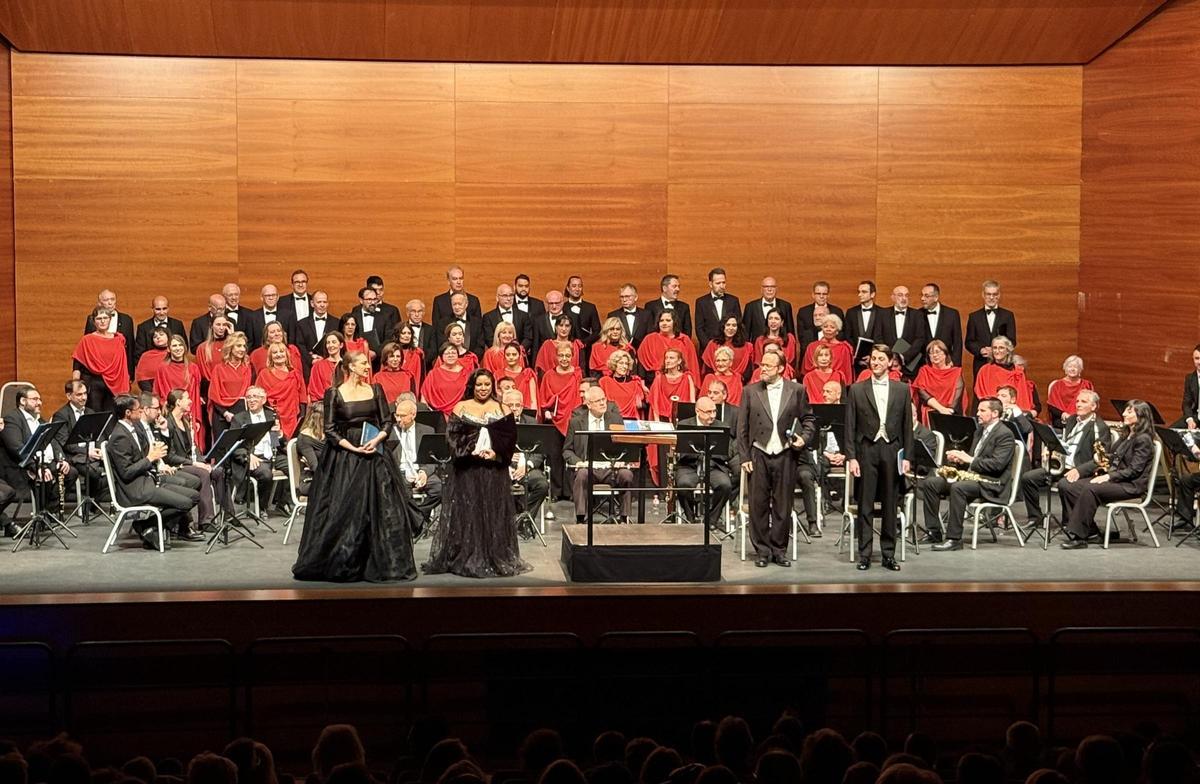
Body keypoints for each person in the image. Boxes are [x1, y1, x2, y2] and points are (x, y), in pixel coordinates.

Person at [294, 351, 418, 582]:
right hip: (345, 457)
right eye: (362, 363)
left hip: (374, 453)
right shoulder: (334, 393)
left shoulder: (376, 389)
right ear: (350, 367)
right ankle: (345, 561)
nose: (367, 367)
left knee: (381, 510)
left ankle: (378, 562)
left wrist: (378, 438)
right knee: (345, 511)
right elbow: (330, 429)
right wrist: (353, 448)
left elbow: (387, 421)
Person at [424, 369, 529, 578]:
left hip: (494, 470)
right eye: (479, 385)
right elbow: (452, 439)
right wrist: (470, 451)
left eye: (487, 385)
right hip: (468, 470)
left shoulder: (503, 408)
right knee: (469, 511)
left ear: (493, 387)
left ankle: (494, 554)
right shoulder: (461, 407)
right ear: (473, 385)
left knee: (492, 510)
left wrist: (496, 454)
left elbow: (509, 439)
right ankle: (467, 554)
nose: (483, 389)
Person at [736, 350, 815, 567]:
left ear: (781, 368)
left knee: (782, 504)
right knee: (758, 504)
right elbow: (741, 427)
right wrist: (744, 457)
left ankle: (779, 550)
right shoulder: (750, 391)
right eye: (762, 365)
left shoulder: (797, 390)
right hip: (758, 452)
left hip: (785, 453)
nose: (764, 369)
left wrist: (804, 438)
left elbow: (808, 419)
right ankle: (762, 550)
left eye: (769, 366)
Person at [845, 345, 914, 571]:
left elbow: (907, 427)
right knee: (865, 503)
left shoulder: (902, 389)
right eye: (873, 358)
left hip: (892, 449)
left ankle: (888, 554)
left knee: (890, 504)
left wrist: (907, 457)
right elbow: (850, 426)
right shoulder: (856, 389)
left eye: (880, 359)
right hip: (867, 449)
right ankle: (864, 553)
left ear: (889, 362)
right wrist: (852, 457)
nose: (875, 362)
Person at [1060, 400, 1157, 548]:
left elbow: (1134, 470)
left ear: (1141, 416)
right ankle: (1090, 531)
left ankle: (1079, 537)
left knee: (1091, 488)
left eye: (1129, 411)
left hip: (1131, 486)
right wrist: (1102, 460)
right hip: (1118, 480)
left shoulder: (1143, 439)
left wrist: (1108, 476)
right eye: (1125, 410)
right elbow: (1115, 457)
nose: (1124, 413)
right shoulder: (1127, 435)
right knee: (1068, 485)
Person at [921, 397, 1016, 550]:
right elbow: (973, 460)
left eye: (982, 410)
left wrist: (969, 459)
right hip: (973, 478)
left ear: (995, 413)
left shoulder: (1005, 434)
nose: (977, 413)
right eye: (978, 410)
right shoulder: (979, 431)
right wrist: (960, 459)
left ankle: (954, 539)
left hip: (991, 483)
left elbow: (997, 465)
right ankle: (934, 531)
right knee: (932, 483)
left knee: (958, 488)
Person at [106, 394, 197, 551]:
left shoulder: (134, 429)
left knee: (194, 496)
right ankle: (148, 525)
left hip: (148, 480)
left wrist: (156, 458)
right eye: (138, 409)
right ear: (128, 413)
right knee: (185, 503)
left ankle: (148, 526)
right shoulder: (119, 436)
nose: (141, 412)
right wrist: (150, 458)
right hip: (136, 490)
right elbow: (126, 472)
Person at [1020, 390, 1111, 525]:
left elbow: (1101, 459)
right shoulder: (1072, 420)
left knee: (1065, 484)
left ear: (1094, 407)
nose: (1078, 404)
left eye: (1083, 402)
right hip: (1063, 466)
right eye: (1078, 401)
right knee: (1028, 478)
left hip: (1080, 469)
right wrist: (1051, 450)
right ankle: (1035, 517)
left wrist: (1079, 470)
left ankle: (1069, 522)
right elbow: (1065, 442)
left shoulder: (1100, 427)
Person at [163, 388, 234, 531]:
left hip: (191, 462)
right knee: (203, 474)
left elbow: (193, 448)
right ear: (178, 402)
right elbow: (169, 456)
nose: (190, 401)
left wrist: (202, 462)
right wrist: (195, 464)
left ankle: (229, 515)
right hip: (177, 465)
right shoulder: (168, 424)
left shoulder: (185, 420)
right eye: (187, 398)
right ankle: (205, 520)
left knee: (218, 471)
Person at [564, 385, 633, 522]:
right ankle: (580, 518)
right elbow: (567, 450)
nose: (603, 403)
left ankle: (624, 517)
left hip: (611, 468)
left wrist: (622, 460)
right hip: (588, 468)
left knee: (626, 474)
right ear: (588, 404)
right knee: (582, 474)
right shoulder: (576, 422)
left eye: (604, 399)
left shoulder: (616, 419)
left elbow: (625, 447)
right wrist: (578, 462)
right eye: (598, 401)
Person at [677, 396, 737, 530]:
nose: (712, 415)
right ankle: (690, 518)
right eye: (708, 412)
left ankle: (712, 519)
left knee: (725, 485)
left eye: (714, 411)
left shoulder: (722, 426)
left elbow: (728, 450)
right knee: (683, 485)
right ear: (698, 411)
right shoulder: (685, 425)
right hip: (689, 464)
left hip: (713, 465)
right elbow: (680, 450)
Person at [51, 379, 107, 503]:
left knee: (114, 465)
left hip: (92, 454)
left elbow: (99, 435)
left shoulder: (90, 412)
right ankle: (92, 502)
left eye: (85, 393)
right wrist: (88, 452)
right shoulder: (61, 415)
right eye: (79, 394)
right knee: (93, 473)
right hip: (74, 456)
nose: (84, 398)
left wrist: (100, 449)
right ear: (69, 396)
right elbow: (65, 443)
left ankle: (95, 500)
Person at [538, 344, 582, 500]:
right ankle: (555, 492)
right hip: (554, 420)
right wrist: (547, 411)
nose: (564, 358)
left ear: (572, 356)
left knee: (571, 456)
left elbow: (581, 397)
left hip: (573, 420)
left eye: (567, 355)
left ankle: (571, 492)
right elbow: (543, 398)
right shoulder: (549, 375)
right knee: (555, 456)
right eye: (561, 355)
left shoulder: (578, 375)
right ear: (556, 357)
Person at [391, 397, 441, 528]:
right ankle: (418, 524)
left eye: (402, 416)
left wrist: (424, 473)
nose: (398, 419)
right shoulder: (391, 432)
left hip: (420, 470)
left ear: (413, 415)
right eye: (397, 415)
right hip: (400, 472)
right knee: (403, 493)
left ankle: (418, 516)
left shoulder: (427, 430)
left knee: (440, 489)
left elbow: (432, 460)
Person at [501, 389, 549, 520]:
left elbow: (541, 452)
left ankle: (524, 520)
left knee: (542, 485)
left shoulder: (532, 422)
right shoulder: (495, 422)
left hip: (527, 467)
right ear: (503, 405)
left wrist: (527, 465)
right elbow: (489, 448)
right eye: (511, 405)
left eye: (518, 405)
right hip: (502, 467)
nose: (515, 409)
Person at [72, 308, 129, 413]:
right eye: (99, 318)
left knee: (112, 416)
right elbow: (77, 365)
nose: (102, 321)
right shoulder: (87, 340)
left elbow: (123, 366)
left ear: (110, 319)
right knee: (95, 416)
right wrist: (75, 385)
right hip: (93, 383)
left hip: (115, 384)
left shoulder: (119, 339)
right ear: (94, 321)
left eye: (105, 318)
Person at [155, 334, 205, 450]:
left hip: (190, 413)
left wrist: (196, 419)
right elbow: (161, 392)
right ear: (168, 349)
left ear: (185, 347)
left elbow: (195, 395)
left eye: (180, 345)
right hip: (171, 414)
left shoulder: (193, 368)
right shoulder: (163, 368)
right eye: (174, 345)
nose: (178, 348)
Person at [965, 279, 1017, 375]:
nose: (991, 297)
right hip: (980, 364)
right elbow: (969, 342)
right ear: (983, 295)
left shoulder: (1008, 315)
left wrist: (995, 350)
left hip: (1003, 365)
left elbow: (1012, 341)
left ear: (999, 295)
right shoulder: (974, 317)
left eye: (995, 294)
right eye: (988, 294)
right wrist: (981, 350)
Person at [208, 331, 252, 443]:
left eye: (244, 346)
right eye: (238, 346)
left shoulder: (248, 368)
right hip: (221, 414)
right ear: (230, 347)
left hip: (242, 413)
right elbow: (214, 395)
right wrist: (225, 413)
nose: (242, 349)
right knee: (222, 449)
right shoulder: (219, 369)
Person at [257, 343, 307, 438]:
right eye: (275, 352)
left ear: (286, 354)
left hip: (293, 417)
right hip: (272, 417)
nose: (279, 354)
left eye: (281, 351)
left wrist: (301, 417)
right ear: (270, 356)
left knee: (292, 444)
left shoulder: (295, 373)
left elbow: (302, 397)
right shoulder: (264, 374)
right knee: (276, 445)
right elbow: (258, 397)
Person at [878, 286, 928, 380]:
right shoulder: (882, 314)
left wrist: (903, 357)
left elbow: (920, 339)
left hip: (910, 366)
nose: (904, 298)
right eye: (900, 295)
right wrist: (890, 357)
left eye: (906, 295)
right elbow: (878, 338)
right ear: (892, 297)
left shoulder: (917, 315)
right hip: (887, 366)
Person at [638, 311, 700, 386]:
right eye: (661, 320)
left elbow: (692, 365)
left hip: (680, 384)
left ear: (674, 322)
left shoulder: (685, 340)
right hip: (653, 383)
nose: (664, 323)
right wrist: (642, 383)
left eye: (668, 320)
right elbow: (641, 362)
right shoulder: (649, 339)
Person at [83, 289, 136, 376]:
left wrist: (130, 373)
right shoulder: (91, 319)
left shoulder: (127, 320)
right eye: (106, 300)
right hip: (98, 368)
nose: (110, 303)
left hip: (120, 368)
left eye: (112, 299)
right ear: (99, 303)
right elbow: (87, 347)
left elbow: (130, 347)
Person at [973, 336, 1033, 409]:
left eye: (1001, 348)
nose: (997, 351)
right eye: (995, 348)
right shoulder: (985, 370)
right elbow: (981, 394)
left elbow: (1022, 397)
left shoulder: (1018, 371)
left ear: (1008, 350)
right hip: (992, 411)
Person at [912, 340, 964, 424]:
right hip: (930, 413)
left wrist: (949, 411)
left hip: (950, 414)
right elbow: (921, 391)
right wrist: (940, 409)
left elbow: (958, 393)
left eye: (937, 352)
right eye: (931, 353)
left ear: (945, 354)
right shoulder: (924, 370)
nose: (935, 355)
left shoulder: (956, 372)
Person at [294, 291, 341, 378]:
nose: (322, 305)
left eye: (324, 302)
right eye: (319, 302)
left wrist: (325, 358)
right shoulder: (301, 324)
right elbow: (300, 345)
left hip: (331, 367)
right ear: (312, 303)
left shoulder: (336, 323)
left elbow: (339, 344)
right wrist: (311, 360)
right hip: (308, 368)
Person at [421, 342, 471, 419]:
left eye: (453, 353)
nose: (450, 355)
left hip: (462, 415)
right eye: (447, 353)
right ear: (441, 356)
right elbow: (424, 396)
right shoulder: (433, 374)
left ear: (458, 355)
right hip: (438, 416)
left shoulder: (466, 373)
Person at [482, 283, 533, 356]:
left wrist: (518, 350)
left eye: (511, 295)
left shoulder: (523, 315)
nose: (509, 299)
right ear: (497, 297)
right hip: (497, 356)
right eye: (505, 296)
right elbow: (489, 339)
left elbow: (528, 337)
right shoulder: (488, 317)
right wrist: (502, 352)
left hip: (519, 356)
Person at [694, 267, 741, 348]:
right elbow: (699, 329)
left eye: (723, 283)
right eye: (718, 283)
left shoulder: (733, 301)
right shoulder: (701, 302)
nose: (722, 286)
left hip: (730, 348)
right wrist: (710, 347)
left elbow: (739, 325)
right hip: (708, 348)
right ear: (710, 284)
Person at [133, 295, 185, 367]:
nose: (162, 312)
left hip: (174, 368)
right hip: (152, 370)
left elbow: (184, 347)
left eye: (164, 308)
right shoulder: (143, 327)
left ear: (168, 308)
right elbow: (139, 354)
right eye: (158, 309)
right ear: (152, 309)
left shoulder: (178, 325)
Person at [919, 283, 963, 367]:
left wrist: (955, 363)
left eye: (926, 296)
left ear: (936, 297)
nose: (922, 298)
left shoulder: (952, 314)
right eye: (922, 295)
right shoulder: (918, 314)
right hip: (925, 366)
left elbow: (957, 342)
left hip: (947, 365)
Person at [243, 284, 297, 351]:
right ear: (262, 298)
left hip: (283, 356)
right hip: (260, 356)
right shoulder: (252, 317)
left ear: (277, 297)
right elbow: (250, 342)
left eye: (273, 295)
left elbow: (291, 340)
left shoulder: (288, 315)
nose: (271, 298)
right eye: (267, 295)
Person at [648, 348, 697, 422]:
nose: (667, 361)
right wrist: (657, 423)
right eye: (666, 358)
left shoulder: (687, 378)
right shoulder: (659, 378)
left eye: (671, 358)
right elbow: (655, 404)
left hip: (683, 419)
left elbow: (692, 402)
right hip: (663, 420)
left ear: (679, 361)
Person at [800, 314, 853, 382]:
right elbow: (806, 370)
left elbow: (846, 373)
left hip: (836, 384)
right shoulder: (812, 346)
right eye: (825, 326)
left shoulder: (843, 349)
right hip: (814, 382)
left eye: (832, 327)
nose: (828, 329)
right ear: (822, 329)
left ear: (837, 331)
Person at [742, 276, 794, 342]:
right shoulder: (750, 307)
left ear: (776, 289)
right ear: (761, 289)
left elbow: (790, 333)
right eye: (766, 287)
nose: (769, 289)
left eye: (772, 286)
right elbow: (745, 334)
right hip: (757, 349)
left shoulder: (786, 306)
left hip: (781, 349)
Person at [1046, 355, 1095, 425]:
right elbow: (1051, 406)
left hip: (1081, 419)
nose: (1072, 369)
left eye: (1076, 367)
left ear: (1080, 369)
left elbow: (1091, 405)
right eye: (1070, 366)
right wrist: (1063, 414)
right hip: (1060, 419)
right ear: (1065, 369)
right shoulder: (1057, 385)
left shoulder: (1087, 385)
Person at [598, 350, 646, 420]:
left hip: (631, 420)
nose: (624, 366)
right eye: (621, 363)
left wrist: (640, 405)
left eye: (626, 364)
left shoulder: (634, 382)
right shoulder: (604, 381)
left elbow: (644, 405)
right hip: (610, 420)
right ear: (614, 364)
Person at [843, 281, 883, 364]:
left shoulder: (882, 312)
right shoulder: (851, 312)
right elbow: (847, 335)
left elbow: (882, 337)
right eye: (859, 292)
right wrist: (856, 355)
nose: (859, 295)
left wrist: (872, 355)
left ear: (872, 294)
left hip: (876, 359)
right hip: (855, 359)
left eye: (864, 292)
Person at [795, 280, 845, 346]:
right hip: (810, 350)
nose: (821, 296)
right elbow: (802, 337)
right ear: (813, 295)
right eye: (818, 293)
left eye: (824, 294)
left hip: (833, 349)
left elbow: (841, 334)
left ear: (828, 295)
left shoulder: (837, 312)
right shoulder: (803, 312)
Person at [645, 273, 693, 338]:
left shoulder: (684, 307)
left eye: (679, 286)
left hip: (678, 346)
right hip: (657, 346)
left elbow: (687, 332)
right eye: (674, 286)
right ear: (664, 288)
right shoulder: (650, 306)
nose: (678, 289)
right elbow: (649, 331)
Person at [606, 283, 654, 348]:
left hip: (641, 352)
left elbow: (650, 337)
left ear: (636, 297)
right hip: (620, 353)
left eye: (627, 296)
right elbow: (609, 338)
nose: (624, 300)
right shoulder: (613, 315)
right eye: (622, 297)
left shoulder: (646, 314)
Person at [294, 400, 325, 497]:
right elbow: (315, 467)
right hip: (311, 481)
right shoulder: (305, 438)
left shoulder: (328, 434)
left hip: (327, 477)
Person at [563, 275, 602, 350]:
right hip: (566, 349)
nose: (577, 289)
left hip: (586, 349)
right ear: (568, 288)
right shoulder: (562, 307)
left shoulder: (591, 307)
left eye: (580, 286)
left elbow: (597, 331)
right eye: (574, 286)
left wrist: (585, 342)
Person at [496, 343, 538, 410]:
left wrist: (533, 417)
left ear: (520, 356)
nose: (511, 357)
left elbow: (533, 400)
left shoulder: (528, 373)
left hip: (526, 413)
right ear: (504, 356)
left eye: (514, 354)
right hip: (504, 412)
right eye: (508, 355)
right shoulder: (498, 374)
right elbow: (497, 399)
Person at [133, 326, 171, 392]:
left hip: (173, 393)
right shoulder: (146, 355)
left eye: (161, 334)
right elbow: (141, 378)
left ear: (168, 337)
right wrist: (152, 394)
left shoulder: (174, 353)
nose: (158, 337)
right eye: (155, 337)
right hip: (151, 394)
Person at [1183, 344, 1200, 428]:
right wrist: (1190, 419)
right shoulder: (1189, 378)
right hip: (1196, 417)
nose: (1199, 362)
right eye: (1197, 358)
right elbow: (1186, 403)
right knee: (1171, 434)